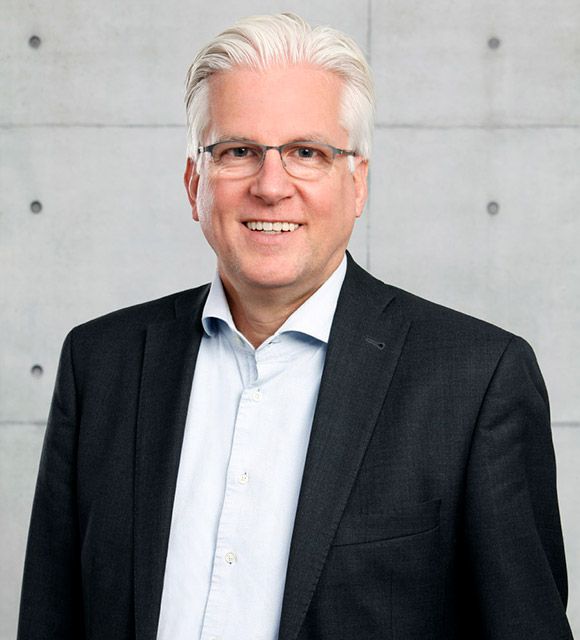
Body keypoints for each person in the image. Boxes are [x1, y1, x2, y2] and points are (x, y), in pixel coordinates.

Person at [18, 12, 572, 640]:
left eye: (306, 153)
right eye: (238, 151)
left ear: (356, 183)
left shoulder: (475, 381)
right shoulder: (101, 364)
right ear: (195, 182)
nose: (271, 186)